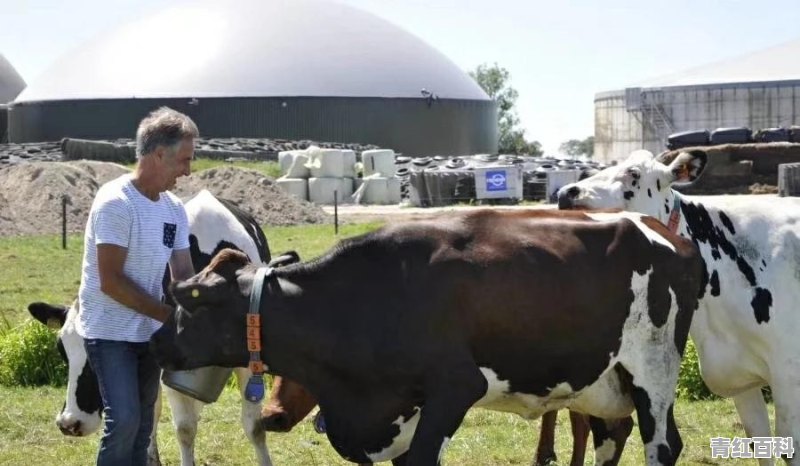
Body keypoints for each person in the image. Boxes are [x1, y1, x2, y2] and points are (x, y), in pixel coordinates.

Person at [76, 106, 198, 466]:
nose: (188, 171)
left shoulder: (174, 208)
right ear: (160, 154)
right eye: (185, 160)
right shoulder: (116, 203)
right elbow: (110, 281)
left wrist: (205, 308)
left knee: (144, 424)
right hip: (109, 331)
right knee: (125, 420)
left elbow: (183, 274)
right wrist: (168, 316)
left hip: (150, 334)